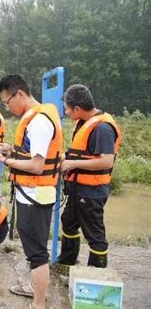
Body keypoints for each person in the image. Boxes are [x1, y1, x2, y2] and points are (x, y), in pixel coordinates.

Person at [0, 74, 62, 309]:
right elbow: (32, 154)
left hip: (35, 196)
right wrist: (11, 151)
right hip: (32, 194)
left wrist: (6, 161)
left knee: (37, 254)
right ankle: (35, 291)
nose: (7, 107)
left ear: (19, 94)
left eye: (6, 101)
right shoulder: (39, 115)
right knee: (35, 248)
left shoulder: (39, 121)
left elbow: (37, 166)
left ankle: (39, 304)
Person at [58, 84, 122, 268]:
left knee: (94, 235)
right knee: (68, 222)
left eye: (67, 108)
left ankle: (97, 273)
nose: (66, 112)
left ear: (77, 108)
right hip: (77, 188)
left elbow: (106, 161)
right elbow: (79, 152)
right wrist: (64, 158)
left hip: (92, 192)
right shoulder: (82, 122)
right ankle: (67, 262)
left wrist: (73, 163)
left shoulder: (102, 128)